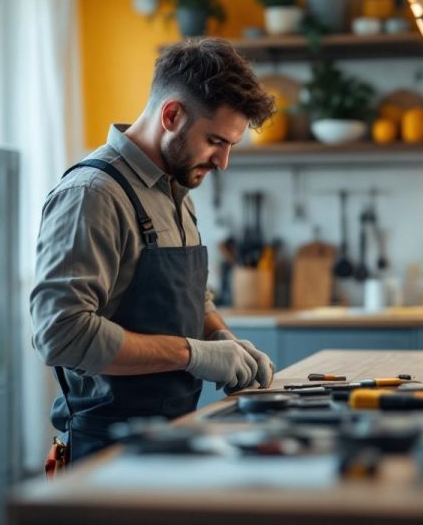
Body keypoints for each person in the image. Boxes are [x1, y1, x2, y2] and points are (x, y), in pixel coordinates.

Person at [30, 38, 277, 463]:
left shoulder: (177, 189)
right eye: (215, 141)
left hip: (175, 434)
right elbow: (61, 334)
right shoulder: (92, 194)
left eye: (230, 146)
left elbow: (189, 297)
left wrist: (223, 338)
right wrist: (195, 354)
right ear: (172, 115)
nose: (223, 162)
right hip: (108, 448)